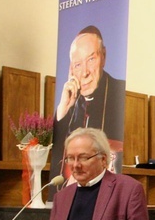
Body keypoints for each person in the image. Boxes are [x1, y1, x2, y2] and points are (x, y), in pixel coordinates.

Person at [51, 25, 127, 180]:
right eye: (78, 65)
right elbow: (57, 158)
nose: (84, 73)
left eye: (91, 59)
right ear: (71, 69)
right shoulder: (69, 102)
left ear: (103, 57)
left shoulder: (119, 92)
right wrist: (62, 110)